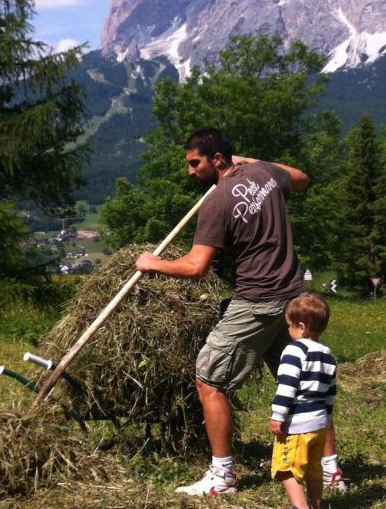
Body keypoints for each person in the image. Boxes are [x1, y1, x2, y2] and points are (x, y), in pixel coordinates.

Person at [135, 127, 345, 496]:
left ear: (217, 159)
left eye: (195, 162)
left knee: (208, 379)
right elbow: (301, 178)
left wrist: (153, 263)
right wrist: (252, 161)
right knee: (307, 386)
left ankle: (222, 474)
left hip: (257, 302)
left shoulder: (215, 202)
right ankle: (329, 471)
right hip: (292, 298)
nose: (189, 171)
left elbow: (196, 266)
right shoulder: (264, 173)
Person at [270, 293, 337, 509]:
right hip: (319, 424)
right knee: (313, 471)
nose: (288, 330)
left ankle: (301, 507)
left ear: (301, 327)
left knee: (287, 469)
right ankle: (316, 505)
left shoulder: (293, 350)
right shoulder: (328, 354)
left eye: (289, 325)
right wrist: (326, 418)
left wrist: (277, 416)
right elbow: (331, 392)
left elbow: (286, 386)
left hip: (297, 425)